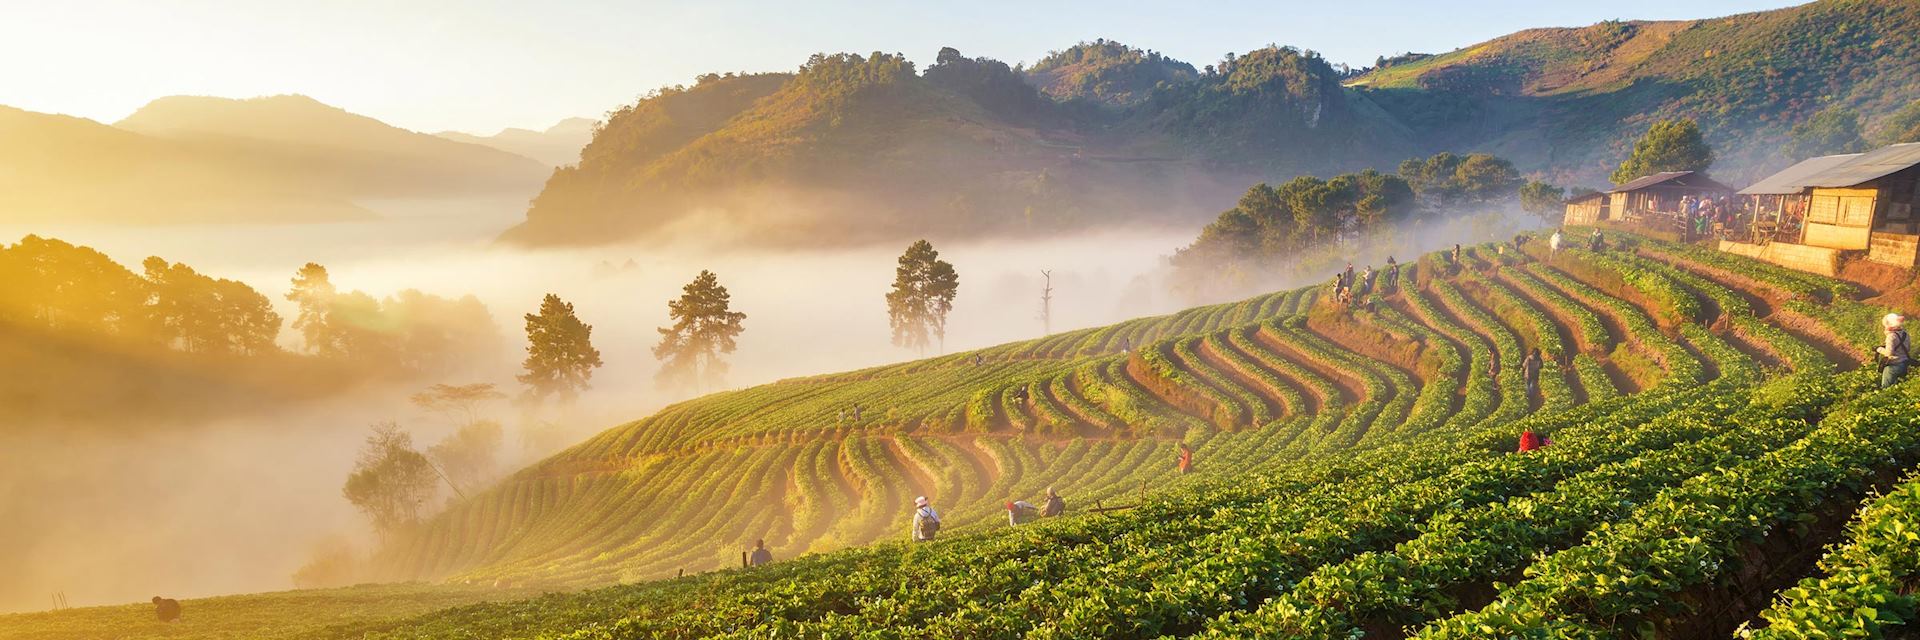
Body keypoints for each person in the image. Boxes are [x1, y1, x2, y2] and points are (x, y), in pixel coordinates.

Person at [1878, 312, 1910, 389]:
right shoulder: (1905, 334)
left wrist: (1879, 349)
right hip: (1904, 364)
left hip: (1893, 367)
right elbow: (1907, 349)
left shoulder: (1891, 336)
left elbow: (1889, 353)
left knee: (1886, 389)